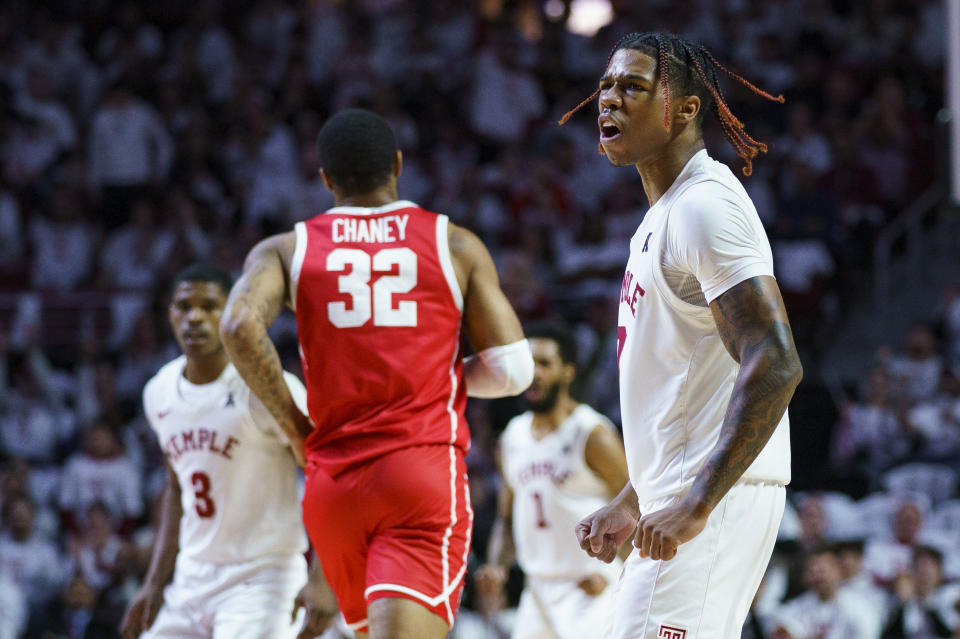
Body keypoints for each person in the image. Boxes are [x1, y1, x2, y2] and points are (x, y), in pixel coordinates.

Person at [220, 108, 533, 639]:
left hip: (332, 485)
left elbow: (236, 325)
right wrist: (439, 374)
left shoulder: (286, 248)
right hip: (418, 473)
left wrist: (295, 425)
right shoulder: (451, 242)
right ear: (398, 165)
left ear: (325, 178)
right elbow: (513, 371)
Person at [563, 32, 804, 637]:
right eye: (605, 86)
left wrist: (696, 503)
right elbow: (683, 385)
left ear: (687, 109)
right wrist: (631, 498)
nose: (609, 101)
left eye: (632, 88)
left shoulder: (705, 207)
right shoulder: (663, 214)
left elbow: (775, 361)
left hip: (711, 497)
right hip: (682, 492)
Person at [119, 263, 310, 639]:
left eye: (209, 306)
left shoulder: (268, 387)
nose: (195, 318)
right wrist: (155, 582)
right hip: (192, 577)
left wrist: (326, 576)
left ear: (233, 310)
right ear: (168, 312)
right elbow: (177, 486)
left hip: (262, 577)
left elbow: (326, 474)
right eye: (184, 306)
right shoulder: (158, 390)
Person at [475, 321, 630, 638]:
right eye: (530, 364)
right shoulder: (512, 437)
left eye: (545, 363)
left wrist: (618, 573)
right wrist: (497, 566)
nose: (535, 372)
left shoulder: (591, 433)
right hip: (537, 590)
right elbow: (507, 518)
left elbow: (636, 504)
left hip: (590, 586)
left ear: (568, 372)